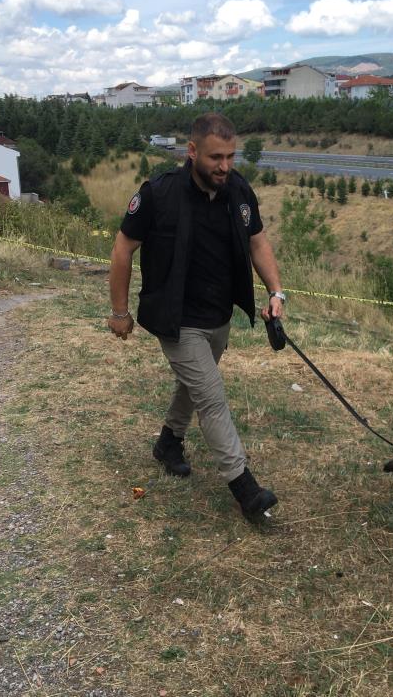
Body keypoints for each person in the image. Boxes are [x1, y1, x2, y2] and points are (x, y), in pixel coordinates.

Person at [107, 113, 285, 521]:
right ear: (191, 152)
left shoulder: (239, 190)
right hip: (176, 319)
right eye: (215, 157)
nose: (224, 166)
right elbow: (122, 248)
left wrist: (276, 291)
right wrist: (119, 312)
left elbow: (258, 241)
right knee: (211, 396)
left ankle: (168, 442)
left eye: (230, 156)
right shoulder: (159, 193)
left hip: (219, 316)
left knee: (194, 384)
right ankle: (245, 489)